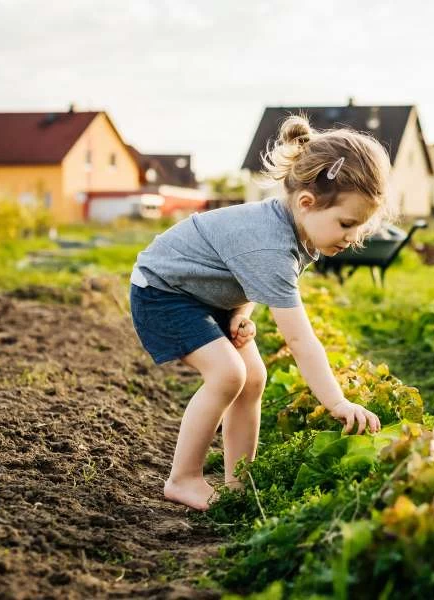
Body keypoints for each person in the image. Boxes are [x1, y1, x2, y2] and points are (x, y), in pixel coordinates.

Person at [128, 115, 391, 511]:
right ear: (306, 203)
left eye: (361, 228)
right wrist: (337, 402)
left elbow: (238, 266)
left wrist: (240, 311)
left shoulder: (295, 229)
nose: (353, 238)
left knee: (253, 378)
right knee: (227, 374)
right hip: (163, 292)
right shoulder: (270, 243)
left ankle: (240, 481)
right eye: (347, 224)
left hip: (206, 294)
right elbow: (300, 340)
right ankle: (183, 479)